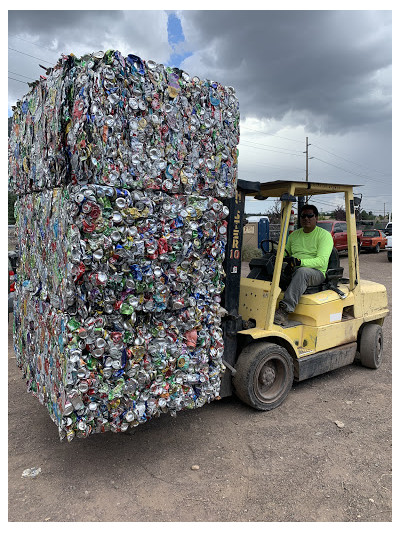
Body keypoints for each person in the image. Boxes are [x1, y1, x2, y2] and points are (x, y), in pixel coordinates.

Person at [274, 204, 333, 326]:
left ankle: (285, 310)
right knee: (269, 267)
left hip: (316, 273)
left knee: (302, 272)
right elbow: (285, 252)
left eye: (310, 215)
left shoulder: (324, 236)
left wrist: (300, 262)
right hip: (295, 269)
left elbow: (321, 261)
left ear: (316, 218)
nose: (306, 218)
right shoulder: (294, 235)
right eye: (303, 216)